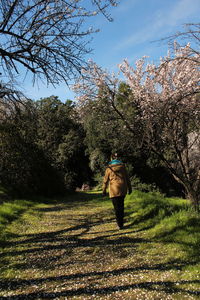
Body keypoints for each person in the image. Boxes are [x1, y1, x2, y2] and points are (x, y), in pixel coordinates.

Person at [102, 153, 132, 229]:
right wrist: (130, 188)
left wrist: (104, 190)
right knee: (121, 206)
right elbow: (127, 178)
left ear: (111, 159)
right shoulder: (123, 167)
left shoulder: (109, 168)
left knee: (116, 208)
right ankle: (121, 224)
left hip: (113, 190)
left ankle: (119, 224)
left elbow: (105, 181)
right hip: (123, 189)